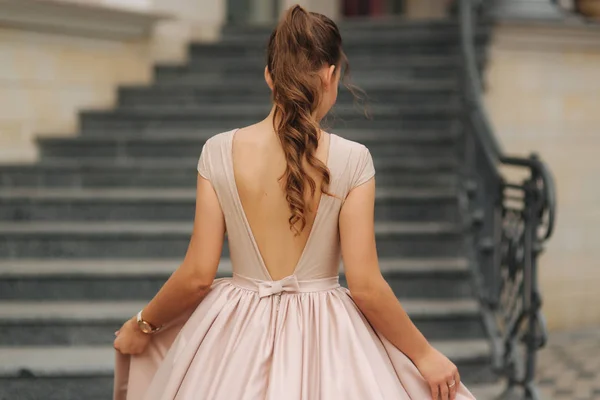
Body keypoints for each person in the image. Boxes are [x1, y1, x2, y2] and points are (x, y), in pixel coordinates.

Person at [113, 5, 476, 400]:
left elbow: (198, 274)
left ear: (269, 75)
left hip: (233, 338)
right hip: (328, 340)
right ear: (330, 75)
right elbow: (366, 287)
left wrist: (142, 324)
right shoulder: (353, 160)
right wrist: (424, 355)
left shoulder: (218, 152)